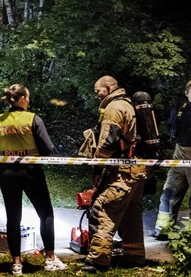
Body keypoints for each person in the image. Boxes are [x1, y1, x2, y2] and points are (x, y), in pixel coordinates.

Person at [0, 84, 66, 276]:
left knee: (13, 218)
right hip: (31, 172)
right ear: (22, 98)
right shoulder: (33, 119)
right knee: (46, 214)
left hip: (7, 174)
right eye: (28, 98)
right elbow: (48, 148)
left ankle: (16, 263)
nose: (29, 101)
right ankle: (50, 259)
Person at [81, 76, 149, 273]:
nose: (96, 95)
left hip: (122, 172)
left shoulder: (114, 108)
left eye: (98, 91)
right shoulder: (128, 104)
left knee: (103, 209)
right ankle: (135, 257)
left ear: (109, 87)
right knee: (131, 214)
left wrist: (98, 166)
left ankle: (98, 261)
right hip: (138, 171)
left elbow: (108, 143)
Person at [152, 77, 191, 240]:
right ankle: (164, 229)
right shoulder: (180, 108)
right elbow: (171, 126)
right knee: (169, 192)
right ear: (187, 93)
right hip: (179, 152)